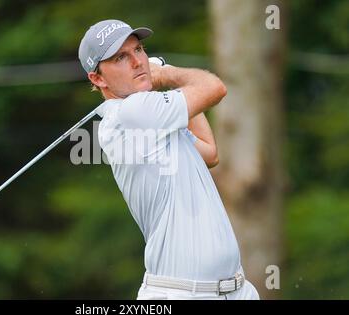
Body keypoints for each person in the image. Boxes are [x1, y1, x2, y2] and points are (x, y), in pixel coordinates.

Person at [78, 19, 260, 300]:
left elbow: (209, 153)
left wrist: (169, 96)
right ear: (98, 79)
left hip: (236, 290)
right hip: (182, 294)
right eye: (121, 58)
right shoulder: (131, 113)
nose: (138, 61)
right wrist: (166, 74)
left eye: (138, 50)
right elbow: (214, 87)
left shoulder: (152, 116)